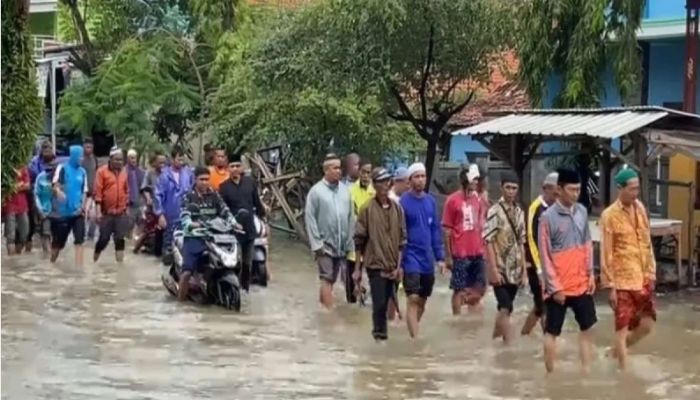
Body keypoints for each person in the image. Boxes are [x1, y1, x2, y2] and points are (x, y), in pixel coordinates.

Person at [539, 169, 596, 373]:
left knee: (588, 328)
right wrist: (554, 288)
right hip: (558, 287)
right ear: (559, 190)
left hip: (581, 282)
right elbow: (544, 256)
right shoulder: (547, 218)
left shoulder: (581, 211)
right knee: (552, 331)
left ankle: (586, 370)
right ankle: (551, 374)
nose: (575, 193)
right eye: (571, 189)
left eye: (578, 189)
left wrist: (590, 275)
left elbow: (587, 244)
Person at [600, 169, 656, 370]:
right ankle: (624, 377)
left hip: (643, 277)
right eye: (631, 189)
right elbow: (606, 252)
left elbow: (646, 241)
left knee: (647, 325)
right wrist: (610, 286)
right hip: (622, 281)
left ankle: (613, 353)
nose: (635, 193)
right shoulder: (609, 216)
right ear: (620, 189)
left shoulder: (639, 208)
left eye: (637, 189)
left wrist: (651, 272)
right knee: (621, 331)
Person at [353, 167, 406, 341]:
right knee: (379, 305)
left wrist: (399, 267)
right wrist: (357, 269)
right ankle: (379, 339)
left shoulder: (397, 209)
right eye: (381, 182)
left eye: (387, 181)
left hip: (394, 265)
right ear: (375, 185)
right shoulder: (367, 209)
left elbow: (402, 241)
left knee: (392, 303)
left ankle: (385, 340)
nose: (385, 185)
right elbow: (359, 240)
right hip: (375, 265)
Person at [179, 167, 238, 301]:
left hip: (215, 237)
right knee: (187, 272)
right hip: (195, 236)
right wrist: (190, 223)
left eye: (207, 179)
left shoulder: (215, 195)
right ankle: (180, 302)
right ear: (195, 180)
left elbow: (225, 211)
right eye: (202, 179)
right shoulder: (189, 196)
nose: (205, 182)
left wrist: (234, 223)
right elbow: (184, 215)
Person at [400, 163, 444, 339]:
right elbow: (398, 231)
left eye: (423, 176)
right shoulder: (403, 202)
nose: (420, 180)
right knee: (412, 298)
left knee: (423, 300)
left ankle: (412, 330)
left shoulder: (430, 202)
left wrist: (440, 257)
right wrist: (399, 261)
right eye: (416, 177)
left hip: (427, 258)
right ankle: (415, 339)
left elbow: (434, 230)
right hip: (410, 256)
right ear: (410, 180)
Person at [305, 154, 355, 309]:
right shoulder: (316, 192)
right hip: (324, 244)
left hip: (341, 243)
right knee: (327, 277)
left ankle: (323, 305)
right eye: (335, 168)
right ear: (326, 170)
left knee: (332, 279)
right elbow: (310, 218)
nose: (339, 171)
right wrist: (317, 244)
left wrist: (350, 243)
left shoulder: (345, 191)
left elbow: (350, 217)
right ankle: (330, 315)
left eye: (340, 168)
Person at [483, 171, 526, 345]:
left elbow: (522, 242)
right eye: (508, 187)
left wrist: (524, 270)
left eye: (514, 188)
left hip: (515, 269)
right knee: (507, 306)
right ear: (501, 188)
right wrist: (493, 269)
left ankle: (494, 340)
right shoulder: (494, 211)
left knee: (504, 309)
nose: (510, 191)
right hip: (500, 267)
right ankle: (509, 346)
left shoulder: (519, 212)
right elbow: (489, 241)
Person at [443, 164, 487, 315]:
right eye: (474, 179)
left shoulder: (478, 199)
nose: (477, 182)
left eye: (478, 179)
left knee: (479, 289)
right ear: (466, 180)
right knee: (459, 289)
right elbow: (447, 230)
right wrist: (448, 256)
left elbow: (482, 225)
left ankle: (472, 322)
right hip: (460, 253)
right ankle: (457, 319)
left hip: (478, 252)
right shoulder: (452, 200)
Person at [219, 153, 267, 291]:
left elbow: (257, 203)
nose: (235, 169)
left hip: (250, 229)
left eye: (237, 166)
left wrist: (264, 220)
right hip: (233, 231)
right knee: (235, 262)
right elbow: (222, 210)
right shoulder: (224, 187)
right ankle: (234, 289)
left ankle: (245, 290)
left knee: (248, 263)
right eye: (232, 166)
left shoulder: (250, 182)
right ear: (228, 169)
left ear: (241, 168)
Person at [521, 172, 559, 335]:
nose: (557, 194)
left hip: (553, 265)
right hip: (537, 266)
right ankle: (549, 343)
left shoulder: (558, 208)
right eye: (554, 191)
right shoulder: (535, 208)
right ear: (545, 189)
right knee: (544, 307)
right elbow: (530, 238)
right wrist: (539, 268)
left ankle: (524, 335)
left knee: (540, 306)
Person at [51, 145, 89, 267]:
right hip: (63, 212)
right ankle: (51, 264)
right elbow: (55, 185)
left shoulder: (83, 172)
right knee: (58, 243)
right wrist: (58, 191)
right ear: (74, 156)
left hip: (78, 213)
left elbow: (84, 191)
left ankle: (79, 268)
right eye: (80, 156)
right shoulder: (62, 168)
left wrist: (82, 207)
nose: (82, 159)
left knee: (79, 241)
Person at [155, 146, 194, 261]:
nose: (181, 162)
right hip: (169, 216)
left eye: (183, 160)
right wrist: (160, 215)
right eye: (179, 159)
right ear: (172, 159)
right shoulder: (164, 176)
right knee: (168, 246)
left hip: (185, 215)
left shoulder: (188, 174)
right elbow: (158, 196)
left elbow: (193, 191)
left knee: (185, 247)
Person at [93, 148, 130, 263]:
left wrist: (126, 208)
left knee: (120, 239)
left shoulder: (124, 173)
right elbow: (98, 192)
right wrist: (98, 211)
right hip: (106, 213)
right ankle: (95, 259)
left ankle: (120, 266)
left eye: (121, 160)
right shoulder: (101, 172)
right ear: (110, 159)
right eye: (116, 159)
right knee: (103, 239)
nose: (119, 162)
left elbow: (126, 191)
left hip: (121, 213)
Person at [347, 158, 375, 303]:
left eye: (368, 173)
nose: (365, 176)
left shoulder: (376, 193)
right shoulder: (350, 192)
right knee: (351, 289)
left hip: (371, 245)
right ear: (359, 172)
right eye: (363, 172)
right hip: (353, 244)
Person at [136, 152, 166, 256]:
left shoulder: (168, 174)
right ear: (155, 163)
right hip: (152, 206)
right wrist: (148, 198)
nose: (162, 165)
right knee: (148, 230)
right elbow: (144, 188)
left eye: (164, 163)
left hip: (164, 207)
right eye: (160, 163)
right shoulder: (149, 173)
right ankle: (136, 249)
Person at [28, 140, 55, 252]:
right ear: (41, 151)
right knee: (42, 229)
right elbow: (33, 184)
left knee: (52, 231)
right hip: (38, 195)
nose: (47, 152)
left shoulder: (56, 162)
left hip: (53, 201)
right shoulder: (34, 163)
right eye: (45, 149)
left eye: (49, 149)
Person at [3, 167, 31, 255]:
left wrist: (13, 188)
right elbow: (4, 187)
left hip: (22, 205)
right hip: (9, 204)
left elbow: (28, 185)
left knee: (24, 233)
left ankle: (17, 255)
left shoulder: (22, 167)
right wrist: (19, 185)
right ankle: (11, 259)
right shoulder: (4, 168)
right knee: (10, 236)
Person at [34, 161, 57, 258]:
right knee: (46, 234)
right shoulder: (41, 177)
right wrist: (39, 209)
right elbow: (36, 194)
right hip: (45, 210)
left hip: (59, 212)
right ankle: (47, 256)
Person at [126, 149, 145, 238]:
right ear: (128, 159)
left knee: (143, 222)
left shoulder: (140, 172)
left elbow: (143, 187)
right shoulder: (124, 171)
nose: (133, 160)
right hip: (128, 203)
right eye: (131, 158)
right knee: (129, 224)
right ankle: (128, 240)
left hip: (139, 202)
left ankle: (136, 238)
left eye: (135, 158)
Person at [83, 138, 98, 240]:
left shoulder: (94, 159)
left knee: (93, 217)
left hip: (92, 192)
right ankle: (81, 236)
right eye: (87, 147)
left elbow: (96, 173)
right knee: (82, 216)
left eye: (91, 147)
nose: (89, 149)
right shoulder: (80, 160)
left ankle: (90, 237)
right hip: (81, 192)